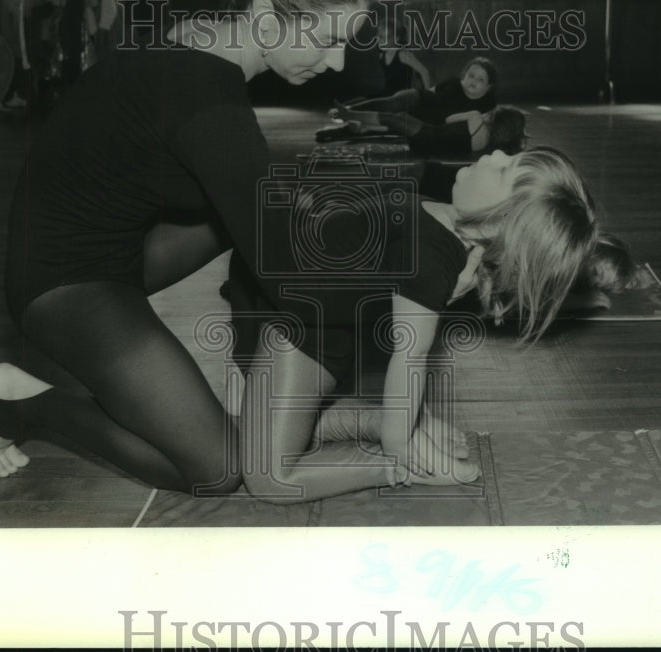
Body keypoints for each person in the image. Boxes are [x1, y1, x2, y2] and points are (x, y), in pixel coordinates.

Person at [0, 0, 374, 494]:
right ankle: (24, 404)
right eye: (328, 38)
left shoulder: (204, 38)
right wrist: (408, 276)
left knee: (270, 205)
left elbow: (267, 229)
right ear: (265, 16)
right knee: (217, 469)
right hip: (57, 280)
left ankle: (242, 374)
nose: (338, 63)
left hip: (114, 248)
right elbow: (291, 270)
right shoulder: (210, 106)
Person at [229, 146, 599, 500]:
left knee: (272, 478)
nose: (495, 155)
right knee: (255, 432)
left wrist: (399, 446)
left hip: (303, 329)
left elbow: (411, 355)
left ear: (500, 219)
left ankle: (405, 466)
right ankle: (381, 423)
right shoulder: (446, 222)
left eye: (504, 169)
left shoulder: (432, 254)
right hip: (276, 297)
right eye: (510, 157)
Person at [326, 102, 527, 158]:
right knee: (401, 121)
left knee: (392, 118)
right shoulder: (487, 144)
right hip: (431, 147)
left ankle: (348, 114)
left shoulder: (476, 117)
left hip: (429, 136)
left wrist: (477, 115)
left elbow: (448, 120)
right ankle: (364, 128)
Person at [338, 55, 499, 125]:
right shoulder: (455, 83)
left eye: (480, 79)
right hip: (421, 99)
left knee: (390, 121)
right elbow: (432, 90)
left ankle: (354, 118)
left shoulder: (488, 102)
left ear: (488, 86)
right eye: (471, 75)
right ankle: (350, 109)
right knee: (392, 104)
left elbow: (494, 118)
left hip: (427, 121)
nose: (474, 81)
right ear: (464, 76)